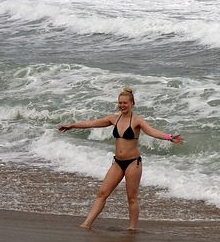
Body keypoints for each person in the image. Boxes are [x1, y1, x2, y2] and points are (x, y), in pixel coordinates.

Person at [58, 87, 183, 230]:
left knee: (131, 198)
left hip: (133, 163)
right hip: (117, 162)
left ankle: (132, 229)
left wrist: (169, 137)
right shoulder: (113, 119)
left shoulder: (137, 121)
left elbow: (152, 131)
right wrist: (73, 125)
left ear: (132, 104)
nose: (122, 105)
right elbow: (92, 123)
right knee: (102, 193)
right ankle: (86, 224)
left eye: (125, 103)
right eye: (120, 103)